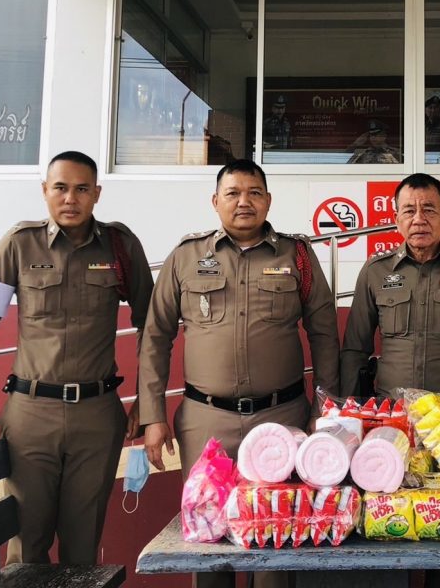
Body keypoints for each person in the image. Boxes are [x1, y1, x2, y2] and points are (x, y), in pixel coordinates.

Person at [138, 158, 340, 588]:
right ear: (216, 201)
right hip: (206, 422)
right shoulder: (186, 256)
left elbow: (324, 333)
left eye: (254, 193)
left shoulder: (297, 256)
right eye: (232, 193)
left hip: (282, 419)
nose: (243, 201)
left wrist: (324, 410)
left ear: (268, 200)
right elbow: (155, 336)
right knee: (209, 543)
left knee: (275, 545)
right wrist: (153, 417)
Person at [0, 150, 154, 565]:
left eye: (82, 189)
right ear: (45, 190)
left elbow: (151, 327)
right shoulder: (18, 244)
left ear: (97, 193)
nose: (70, 198)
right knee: (26, 546)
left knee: (82, 550)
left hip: (97, 416)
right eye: (60, 188)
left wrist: (146, 401)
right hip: (31, 415)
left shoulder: (120, 246)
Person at [340, 172, 440, 409]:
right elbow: (355, 350)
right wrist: (348, 412)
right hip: (391, 411)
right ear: (396, 219)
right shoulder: (375, 271)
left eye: (429, 210)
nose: (419, 219)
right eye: (409, 211)